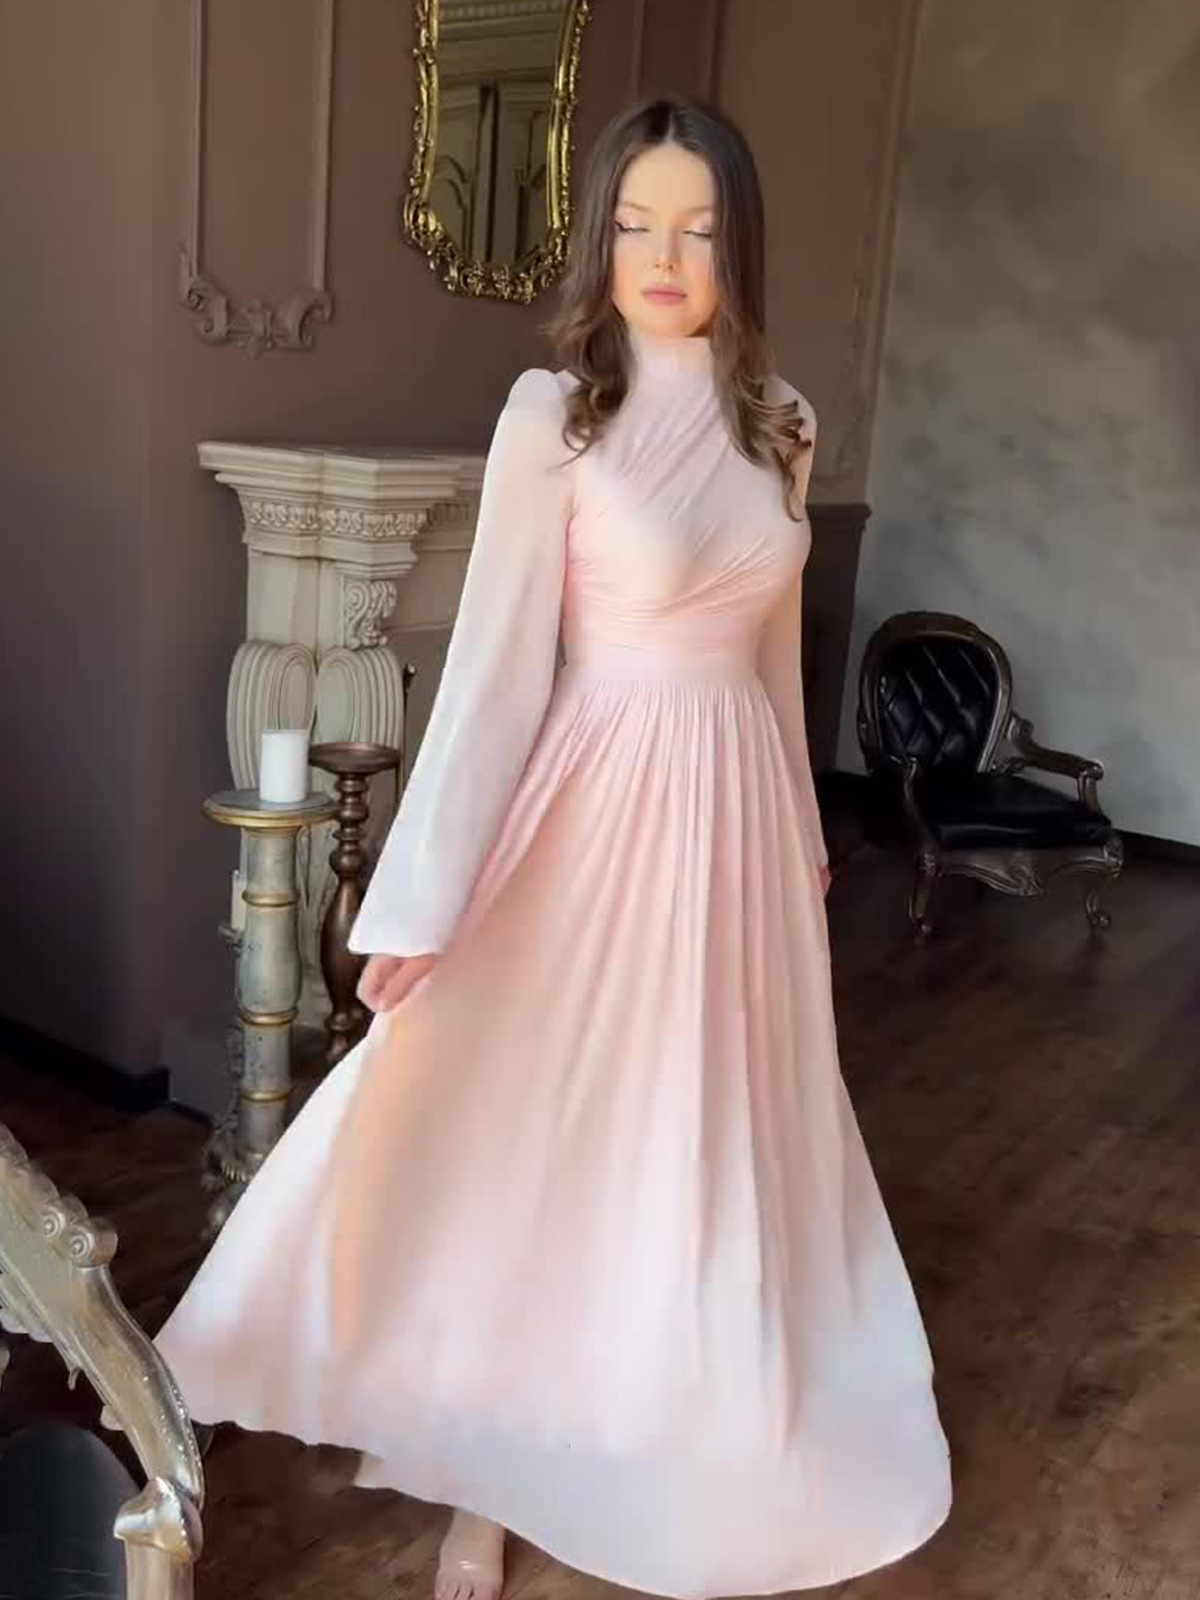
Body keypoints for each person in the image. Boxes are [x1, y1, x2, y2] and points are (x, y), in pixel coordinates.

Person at [156, 97, 952, 1600]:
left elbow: (775, 653)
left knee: (707, 1120)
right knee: (547, 1124)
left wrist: (801, 829)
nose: (666, 257)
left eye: (699, 229)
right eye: (638, 224)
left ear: (738, 245)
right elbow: (495, 672)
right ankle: (488, 1476)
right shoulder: (556, 415)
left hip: (736, 810)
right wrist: (421, 897)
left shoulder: (783, 420)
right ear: (604, 237)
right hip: (595, 799)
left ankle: (683, 1419)